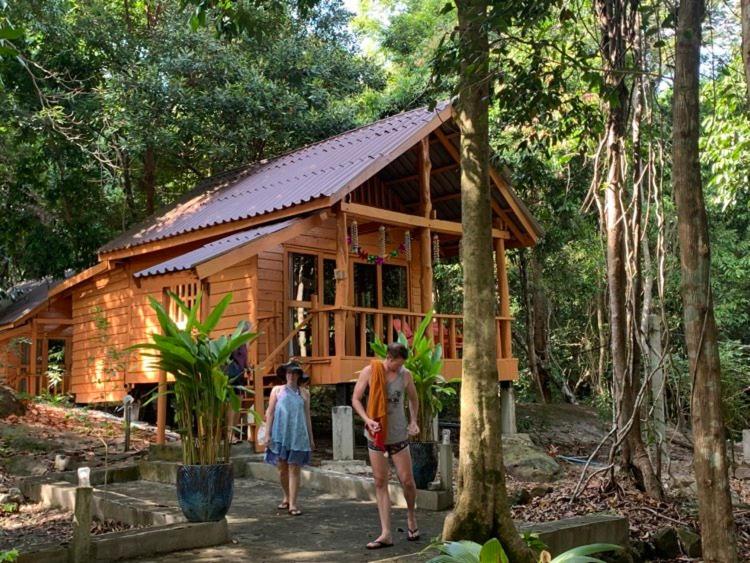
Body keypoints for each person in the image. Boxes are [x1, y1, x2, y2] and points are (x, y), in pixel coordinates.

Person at [352, 342, 420, 550]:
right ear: (389, 358)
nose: (399, 368)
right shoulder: (370, 371)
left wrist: (414, 421)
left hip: (398, 433)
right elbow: (356, 399)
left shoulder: (405, 375)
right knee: (380, 482)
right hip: (376, 434)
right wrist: (367, 419)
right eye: (397, 364)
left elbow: (413, 399)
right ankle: (386, 533)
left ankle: (411, 516)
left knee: (407, 481)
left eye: (402, 365)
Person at [264, 361, 314, 516]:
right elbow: (270, 413)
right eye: (289, 373)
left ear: (299, 375)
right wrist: (267, 433)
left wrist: (311, 438)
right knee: (282, 468)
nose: (291, 375)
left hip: (298, 435)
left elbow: (307, 416)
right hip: (280, 433)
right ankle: (286, 496)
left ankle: (293, 503)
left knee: (294, 468)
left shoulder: (304, 393)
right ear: (285, 375)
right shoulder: (277, 391)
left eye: (294, 373)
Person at [226, 321, 251, 443]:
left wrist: (249, 368)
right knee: (232, 404)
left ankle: (233, 433)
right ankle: (229, 433)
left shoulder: (245, 344)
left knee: (238, 405)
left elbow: (246, 361)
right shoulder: (233, 340)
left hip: (240, 375)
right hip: (232, 375)